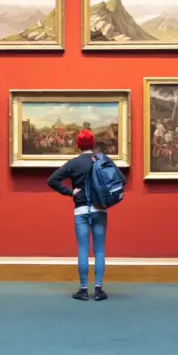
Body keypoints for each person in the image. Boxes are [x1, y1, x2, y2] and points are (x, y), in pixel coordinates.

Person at [47, 129, 109, 301]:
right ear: (93, 144)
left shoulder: (74, 163)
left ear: (78, 145)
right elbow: (120, 180)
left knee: (83, 249)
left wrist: (70, 192)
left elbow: (52, 180)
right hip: (100, 209)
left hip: (81, 210)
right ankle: (98, 290)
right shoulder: (102, 160)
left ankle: (83, 290)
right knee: (99, 250)